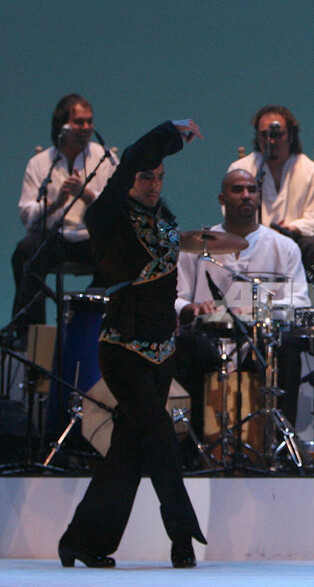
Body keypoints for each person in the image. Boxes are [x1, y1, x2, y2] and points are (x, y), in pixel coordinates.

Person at [58, 119, 207, 569]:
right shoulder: (108, 216)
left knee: (128, 452)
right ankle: (182, 536)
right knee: (161, 441)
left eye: (159, 177)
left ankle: (82, 540)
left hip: (162, 352)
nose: (154, 185)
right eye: (146, 177)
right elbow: (128, 163)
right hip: (124, 350)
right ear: (129, 179)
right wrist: (170, 132)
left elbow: (168, 276)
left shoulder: (163, 219)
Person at [174, 169, 310, 441]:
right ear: (222, 198)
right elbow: (176, 297)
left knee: (287, 347)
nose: (246, 195)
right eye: (237, 190)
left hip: (260, 341)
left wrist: (259, 311)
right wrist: (191, 308)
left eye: (252, 190)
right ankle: (194, 445)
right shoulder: (195, 247)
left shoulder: (284, 247)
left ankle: (279, 443)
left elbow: (300, 300)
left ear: (259, 197)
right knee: (184, 344)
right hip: (210, 342)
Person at [7, 94, 117, 346]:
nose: (86, 128)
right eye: (79, 122)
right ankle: (30, 335)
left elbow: (116, 206)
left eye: (89, 122)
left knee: (117, 252)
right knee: (26, 250)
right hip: (54, 238)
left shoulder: (104, 158)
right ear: (62, 126)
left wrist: (87, 194)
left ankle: (88, 321)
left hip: (90, 238)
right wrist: (55, 203)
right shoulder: (40, 163)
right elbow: (26, 215)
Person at [228, 105, 314, 299]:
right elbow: (232, 213)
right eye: (264, 135)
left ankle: (312, 309)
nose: (271, 141)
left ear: (290, 135)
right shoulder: (241, 169)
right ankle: (239, 309)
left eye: (277, 135)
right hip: (251, 240)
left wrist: (292, 228)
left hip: (294, 239)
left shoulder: (310, 170)